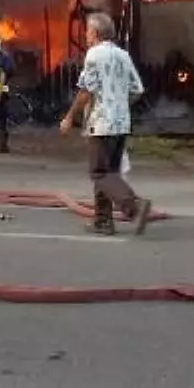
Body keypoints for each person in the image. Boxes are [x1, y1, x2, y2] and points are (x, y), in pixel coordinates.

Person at [59, 12, 151, 237]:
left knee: (100, 173)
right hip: (121, 123)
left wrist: (70, 116)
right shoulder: (123, 55)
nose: (86, 35)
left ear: (96, 33)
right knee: (110, 172)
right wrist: (120, 103)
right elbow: (137, 89)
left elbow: (85, 90)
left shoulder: (94, 55)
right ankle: (103, 221)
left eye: (88, 31)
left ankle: (134, 207)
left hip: (101, 123)